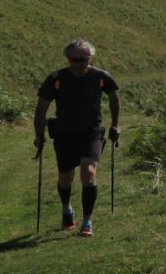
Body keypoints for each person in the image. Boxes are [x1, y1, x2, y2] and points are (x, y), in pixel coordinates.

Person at [33, 38, 121, 237]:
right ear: (67, 58)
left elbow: (114, 97)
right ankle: (66, 209)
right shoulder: (56, 78)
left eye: (84, 59)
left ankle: (87, 222)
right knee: (66, 178)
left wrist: (115, 124)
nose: (79, 63)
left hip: (92, 133)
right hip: (64, 134)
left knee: (88, 172)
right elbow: (41, 110)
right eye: (75, 59)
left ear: (90, 58)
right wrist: (38, 135)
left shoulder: (101, 77)